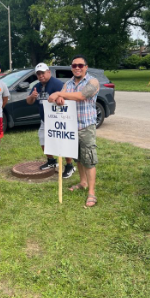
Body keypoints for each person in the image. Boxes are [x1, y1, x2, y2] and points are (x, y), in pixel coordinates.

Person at [48, 55, 100, 207]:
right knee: (78, 158)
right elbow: (59, 99)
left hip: (86, 127)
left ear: (86, 67)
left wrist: (60, 94)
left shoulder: (93, 82)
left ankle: (91, 193)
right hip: (70, 127)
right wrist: (59, 98)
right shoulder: (68, 83)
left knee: (89, 159)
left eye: (80, 65)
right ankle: (83, 183)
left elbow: (81, 96)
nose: (77, 68)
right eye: (74, 65)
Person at [25, 63, 75, 178]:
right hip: (45, 120)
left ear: (48, 72)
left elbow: (67, 97)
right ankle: (51, 161)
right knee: (43, 139)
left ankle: (69, 165)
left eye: (43, 73)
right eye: (38, 74)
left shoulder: (57, 84)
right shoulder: (37, 86)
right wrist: (32, 96)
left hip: (59, 120)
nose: (41, 75)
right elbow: (29, 101)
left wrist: (60, 98)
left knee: (63, 142)